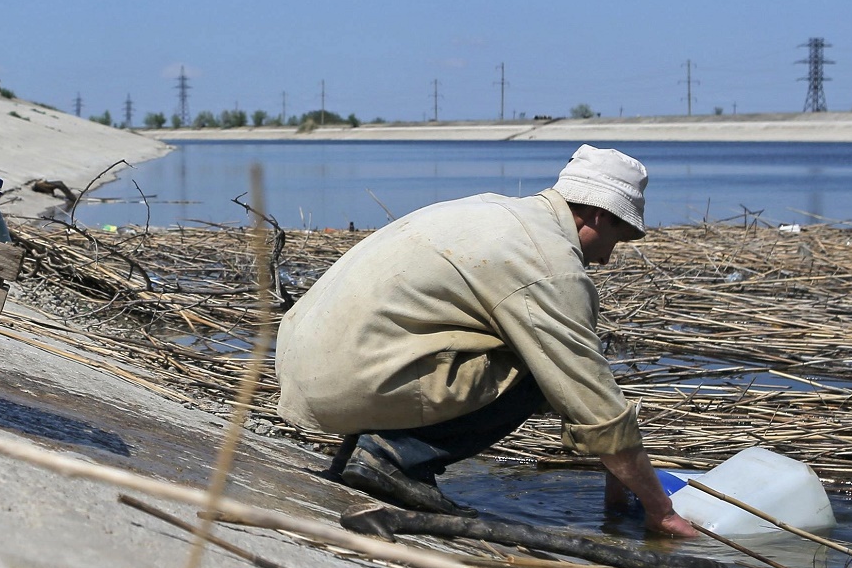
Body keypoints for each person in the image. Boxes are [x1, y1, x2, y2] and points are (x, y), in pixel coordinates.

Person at [274, 144, 696, 539]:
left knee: (527, 356)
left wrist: (619, 479)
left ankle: (367, 453)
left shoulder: (493, 210)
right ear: (600, 217)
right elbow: (589, 397)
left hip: (305, 367)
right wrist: (661, 511)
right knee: (534, 366)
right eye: (615, 242)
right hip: (353, 379)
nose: (606, 258)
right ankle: (395, 457)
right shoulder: (549, 264)